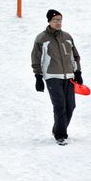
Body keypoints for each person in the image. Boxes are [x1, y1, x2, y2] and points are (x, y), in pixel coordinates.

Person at [31, 9, 83, 146]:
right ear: (49, 21)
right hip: (52, 76)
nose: (58, 22)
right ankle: (60, 135)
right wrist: (38, 76)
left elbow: (75, 56)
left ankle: (57, 129)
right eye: (55, 20)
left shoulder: (67, 36)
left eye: (60, 20)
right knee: (60, 105)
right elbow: (36, 58)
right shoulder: (41, 38)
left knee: (70, 106)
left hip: (69, 76)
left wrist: (78, 72)